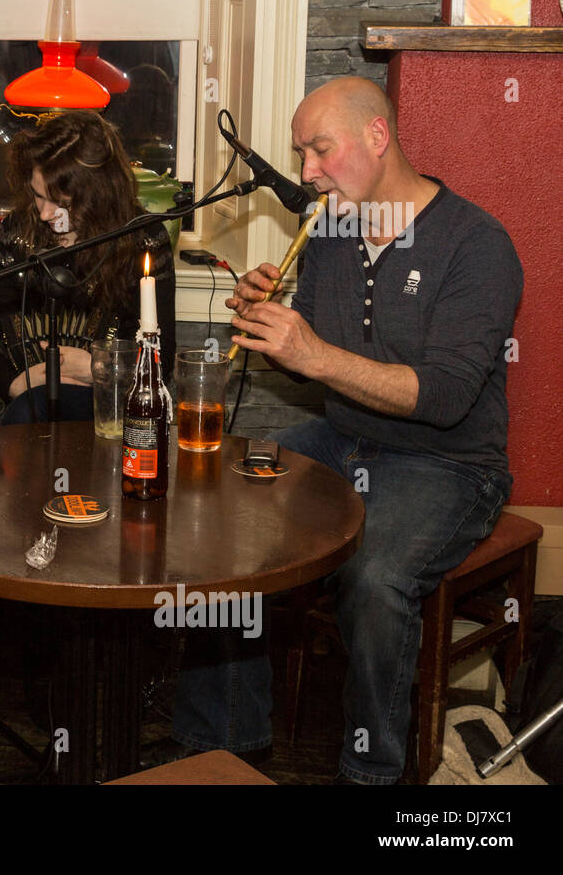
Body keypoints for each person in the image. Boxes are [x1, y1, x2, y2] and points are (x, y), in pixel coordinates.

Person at [162, 77, 522, 784]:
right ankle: (224, 745)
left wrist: (312, 351)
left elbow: (445, 396)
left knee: (376, 571)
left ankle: (371, 773)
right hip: (345, 440)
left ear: (378, 137)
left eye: (320, 150)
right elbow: (321, 373)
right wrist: (276, 334)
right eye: (300, 153)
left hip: (448, 462)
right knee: (213, 508)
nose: (305, 173)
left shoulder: (477, 245)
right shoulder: (328, 230)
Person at [0, 110, 175, 425]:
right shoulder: (17, 230)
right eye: (38, 196)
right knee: (29, 410)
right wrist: (21, 383)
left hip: (106, 409)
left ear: (98, 196)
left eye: (61, 203)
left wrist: (101, 368)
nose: (43, 214)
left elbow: (163, 359)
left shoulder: (143, 238)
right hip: (19, 404)